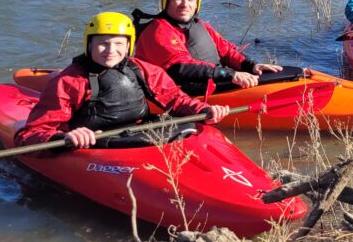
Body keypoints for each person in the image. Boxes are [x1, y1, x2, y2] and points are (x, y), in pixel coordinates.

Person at [16, 12, 229, 147]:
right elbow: (30, 134)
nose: (111, 50)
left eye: (119, 44)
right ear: (89, 45)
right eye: (103, 43)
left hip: (138, 134)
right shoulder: (69, 81)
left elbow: (175, 99)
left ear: (128, 46)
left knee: (189, 126)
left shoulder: (141, 69)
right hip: (97, 142)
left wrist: (205, 110)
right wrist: (65, 137)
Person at [133, 0, 282, 95]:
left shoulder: (200, 25)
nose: (185, 4)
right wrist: (228, 74)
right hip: (179, 91)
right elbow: (180, 68)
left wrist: (251, 65)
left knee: (281, 75)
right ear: (166, 2)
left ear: (197, 4)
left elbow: (226, 51)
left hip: (210, 79)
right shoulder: (157, 30)